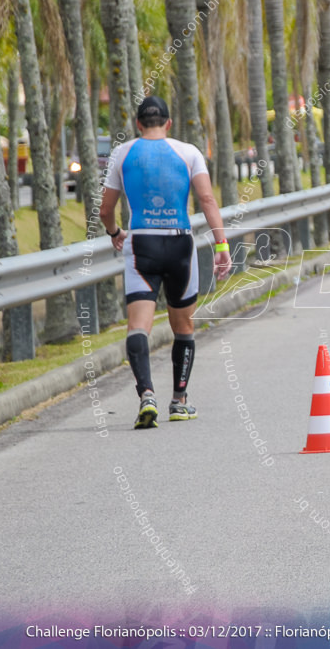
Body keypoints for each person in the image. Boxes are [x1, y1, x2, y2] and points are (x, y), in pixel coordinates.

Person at [99, 96, 232, 429]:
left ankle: (146, 394)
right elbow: (206, 199)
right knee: (183, 327)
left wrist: (115, 231)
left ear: (138, 124)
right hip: (179, 244)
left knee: (138, 327)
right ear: (168, 123)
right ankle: (179, 401)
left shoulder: (122, 152)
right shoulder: (188, 152)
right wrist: (222, 244)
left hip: (141, 241)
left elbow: (104, 209)